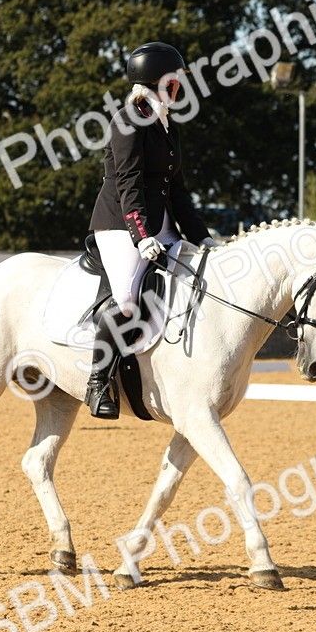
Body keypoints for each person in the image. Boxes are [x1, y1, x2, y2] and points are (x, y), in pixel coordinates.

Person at [84, 41, 217, 419]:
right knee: (126, 301)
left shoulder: (166, 124)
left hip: (160, 224)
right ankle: (97, 382)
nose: (179, 88)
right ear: (157, 82)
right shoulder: (128, 120)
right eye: (175, 81)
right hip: (120, 224)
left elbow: (176, 189)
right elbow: (128, 182)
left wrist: (201, 236)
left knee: (198, 276)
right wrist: (142, 237)